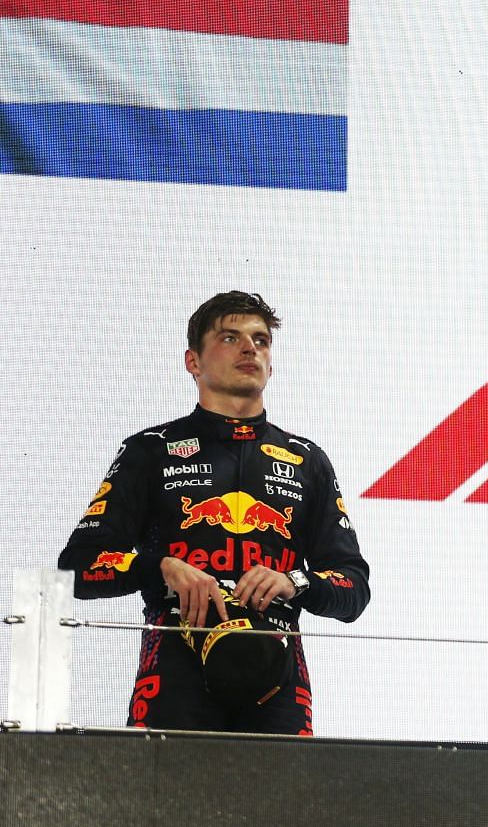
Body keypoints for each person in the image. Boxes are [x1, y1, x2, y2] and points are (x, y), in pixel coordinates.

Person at [58, 291, 371, 734]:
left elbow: (353, 587)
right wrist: (162, 568)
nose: (250, 349)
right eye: (230, 337)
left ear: (272, 364)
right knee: (162, 799)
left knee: (284, 803)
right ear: (193, 362)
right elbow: (77, 568)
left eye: (261, 340)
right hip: (174, 661)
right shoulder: (151, 450)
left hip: (276, 670)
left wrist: (294, 581)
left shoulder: (306, 460)